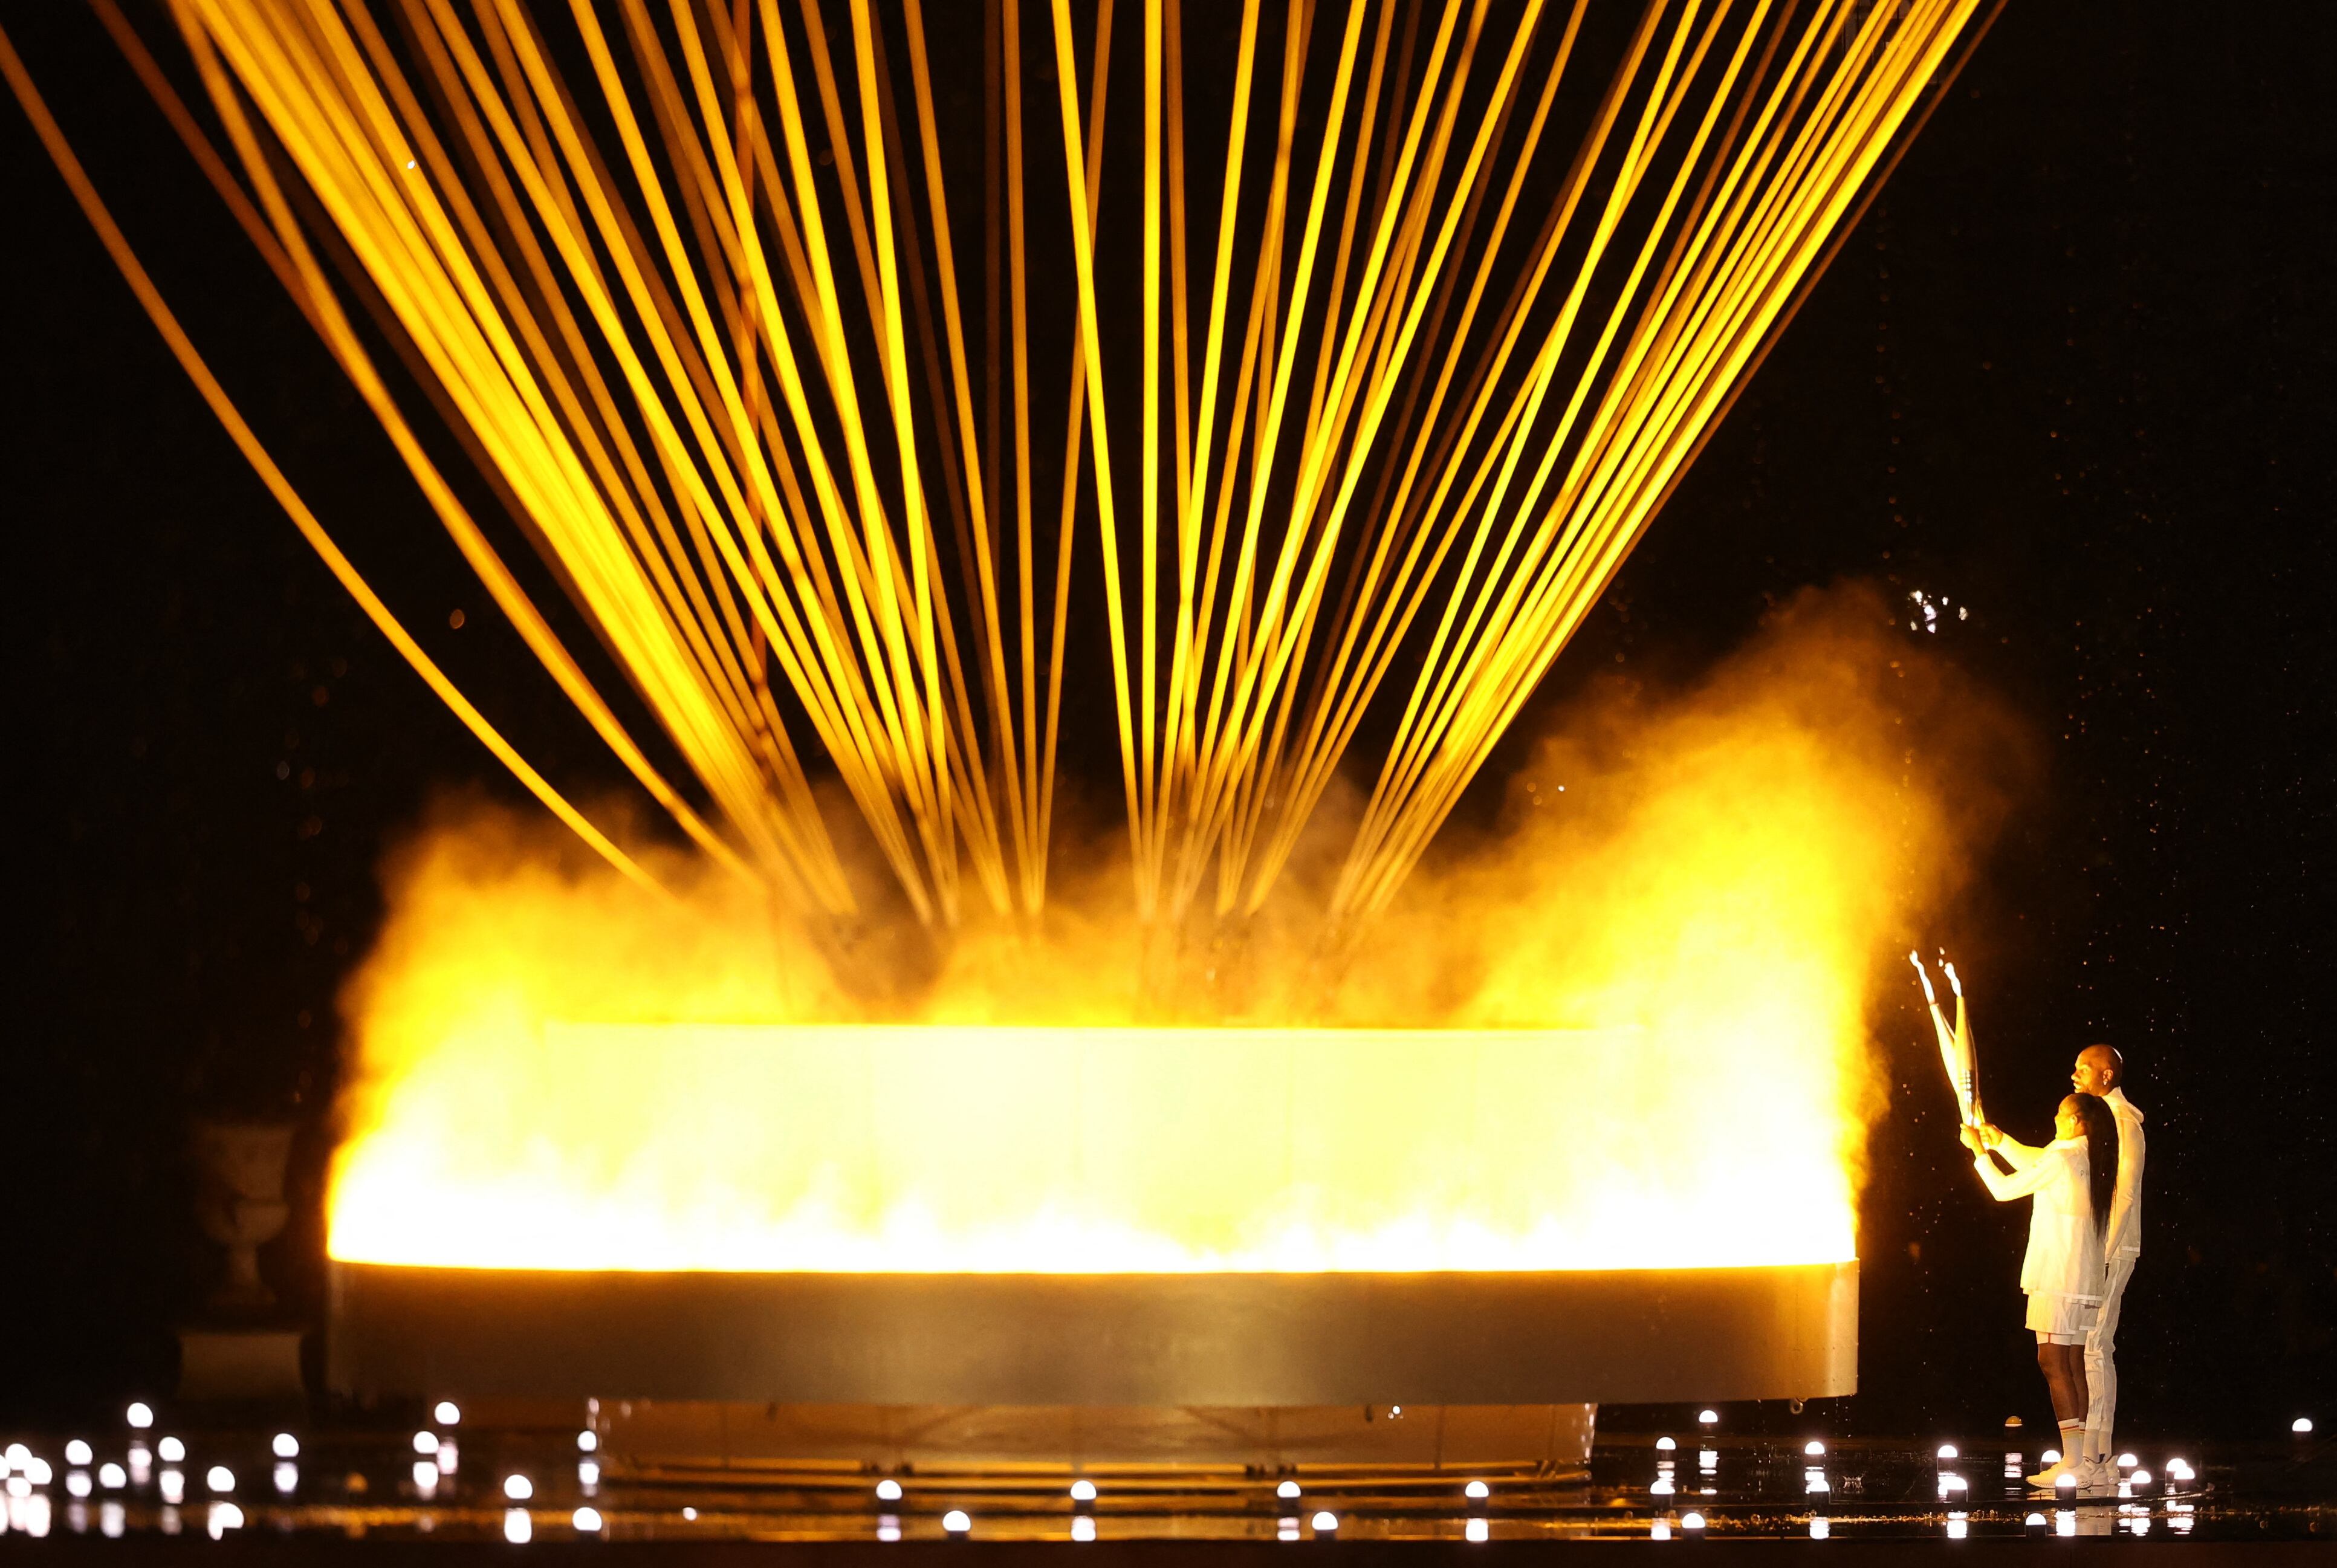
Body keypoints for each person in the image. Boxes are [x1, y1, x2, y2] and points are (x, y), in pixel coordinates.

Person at [1983, 1046, 2145, 1482]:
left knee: (2088, 1352)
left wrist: (2101, 1256)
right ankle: (2088, 1457)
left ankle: (2091, 1458)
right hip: (2087, 1258)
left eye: (2083, 1069)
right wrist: (2000, 1143)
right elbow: (2048, 1166)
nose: (2073, 1074)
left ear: (2107, 1074)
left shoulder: (2119, 1121)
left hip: (2098, 1253)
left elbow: (2122, 1194)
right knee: (2082, 1353)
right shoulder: (2082, 1140)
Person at [1962, 1092, 2117, 1491]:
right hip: (2081, 1278)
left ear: (2078, 1121)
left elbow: (2004, 1189)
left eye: (2062, 1112)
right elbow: (2040, 1162)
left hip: (2058, 1277)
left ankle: (2073, 1461)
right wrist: (2000, 1141)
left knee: (2053, 1362)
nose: (2054, 1116)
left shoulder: (2065, 1157)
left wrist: (1979, 1153)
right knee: (2071, 1362)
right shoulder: (2087, 1157)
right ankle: (2084, 1461)